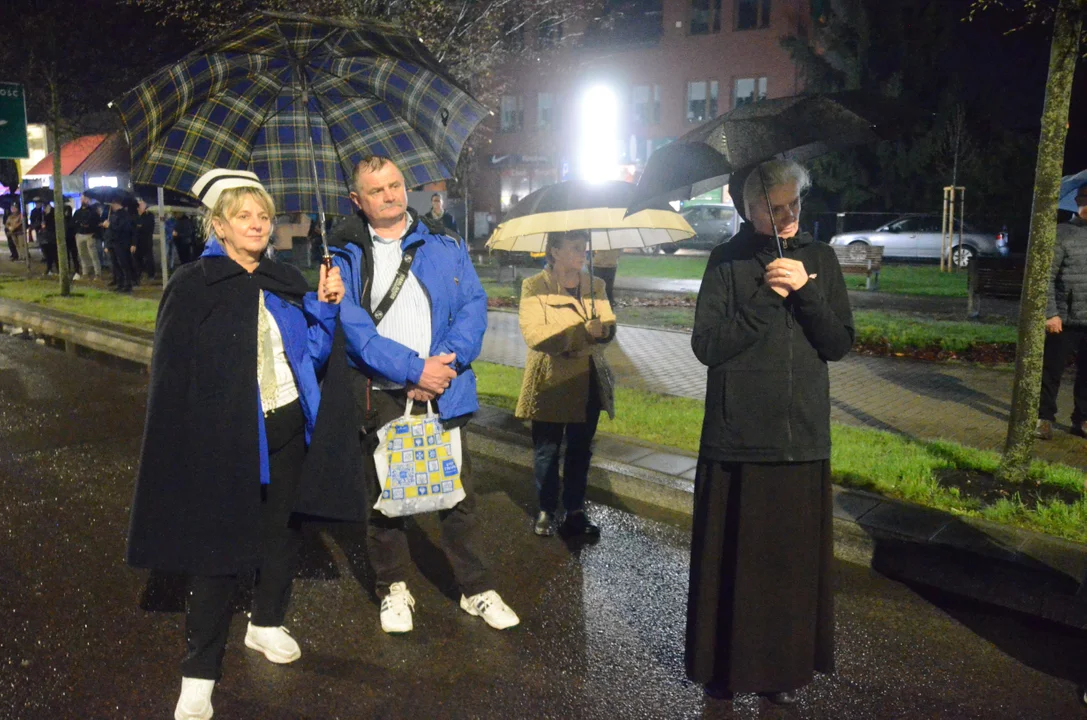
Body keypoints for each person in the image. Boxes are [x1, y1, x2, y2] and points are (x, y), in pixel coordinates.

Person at [126, 169, 345, 720]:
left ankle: (265, 623)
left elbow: (310, 355)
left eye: (263, 215)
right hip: (223, 436)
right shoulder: (193, 284)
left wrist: (324, 306)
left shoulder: (283, 278)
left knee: (282, 533)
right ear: (219, 225)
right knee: (217, 552)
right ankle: (199, 671)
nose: (256, 224)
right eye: (243, 215)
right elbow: (171, 375)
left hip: (287, 426)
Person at [314, 154, 520, 635]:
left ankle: (476, 588)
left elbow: (473, 305)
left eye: (395, 185)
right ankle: (393, 587)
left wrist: (443, 365)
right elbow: (354, 330)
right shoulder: (341, 255)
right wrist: (413, 369)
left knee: (458, 496)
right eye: (377, 190)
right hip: (382, 392)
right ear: (356, 200)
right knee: (386, 498)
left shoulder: (444, 241)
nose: (390, 195)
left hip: (444, 385)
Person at [686, 159, 853, 706]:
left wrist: (805, 290)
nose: (787, 216)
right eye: (774, 208)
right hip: (737, 436)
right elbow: (708, 346)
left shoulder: (820, 259)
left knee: (788, 567)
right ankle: (723, 667)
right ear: (747, 208)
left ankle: (781, 670)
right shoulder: (726, 261)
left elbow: (838, 343)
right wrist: (766, 297)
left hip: (800, 436)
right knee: (733, 563)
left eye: (794, 203)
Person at [516, 230, 616, 538]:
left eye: (584, 247)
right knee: (547, 450)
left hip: (588, 380)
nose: (582, 253)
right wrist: (583, 333)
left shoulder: (596, 285)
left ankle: (574, 510)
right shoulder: (534, 286)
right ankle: (546, 508)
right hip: (550, 380)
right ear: (555, 251)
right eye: (574, 247)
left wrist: (604, 330)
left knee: (580, 450)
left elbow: (609, 325)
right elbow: (535, 335)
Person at [1037, 181, 1087, 440]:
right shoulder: (1061, 233)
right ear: (1078, 203)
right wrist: (1050, 313)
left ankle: (1082, 420)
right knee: (1051, 371)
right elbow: (1046, 276)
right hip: (1063, 318)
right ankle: (1044, 418)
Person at [101, 198, 135, 292]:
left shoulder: (125, 215)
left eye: (112, 203)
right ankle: (120, 283)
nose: (111, 206)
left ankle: (127, 284)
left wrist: (110, 226)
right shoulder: (113, 215)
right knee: (116, 264)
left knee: (124, 264)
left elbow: (123, 228)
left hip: (121, 243)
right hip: (113, 243)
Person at [73, 196, 102, 279]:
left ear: (88, 200)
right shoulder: (77, 212)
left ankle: (97, 273)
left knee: (93, 255)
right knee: (82, 254)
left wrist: (91, 227)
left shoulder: (93, 212)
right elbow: (73, 222)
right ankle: (85, 272)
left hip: (90, 234)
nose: (83, 200)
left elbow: (97, 223)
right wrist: (78, 226)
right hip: (80, 234)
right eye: (82, 199)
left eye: (85, 199)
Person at [134, 199, 157, 281]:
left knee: (148, 257)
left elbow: (147, 227)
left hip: (146, 240)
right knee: (137, 257)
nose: (138, 207)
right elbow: (134, 226)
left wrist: (139, 227)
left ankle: (151, 274)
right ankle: (139, 272)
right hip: (137, 240)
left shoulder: (149, 215)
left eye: (140, 205)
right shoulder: (135, 215)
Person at [63, 203, 81, 279]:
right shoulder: (63, 220)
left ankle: (76, 270)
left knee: (74, 256)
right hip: (66, 240)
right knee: (67, 256)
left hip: (72, 240)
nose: (66, 212)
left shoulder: (72, 220)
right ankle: (68, 269)